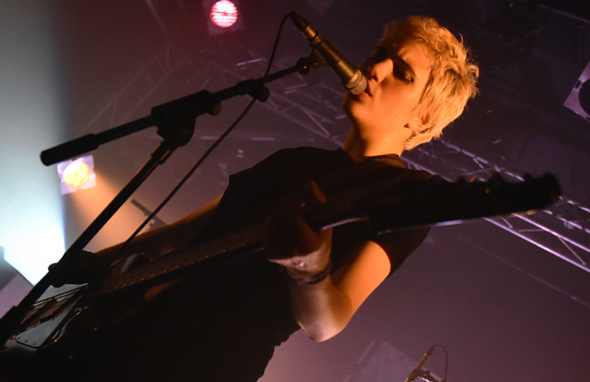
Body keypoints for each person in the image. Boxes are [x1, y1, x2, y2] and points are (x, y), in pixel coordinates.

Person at [4, 15, 478, 382]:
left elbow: (328, 322)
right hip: (134, 331)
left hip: (203, 367)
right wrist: (104, 258)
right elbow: (196, 230)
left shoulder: (402, 195)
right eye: (380, 53)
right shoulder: (295, 159)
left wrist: (309, 271)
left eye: (402, 72)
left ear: (422, 120)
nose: (374, 68)